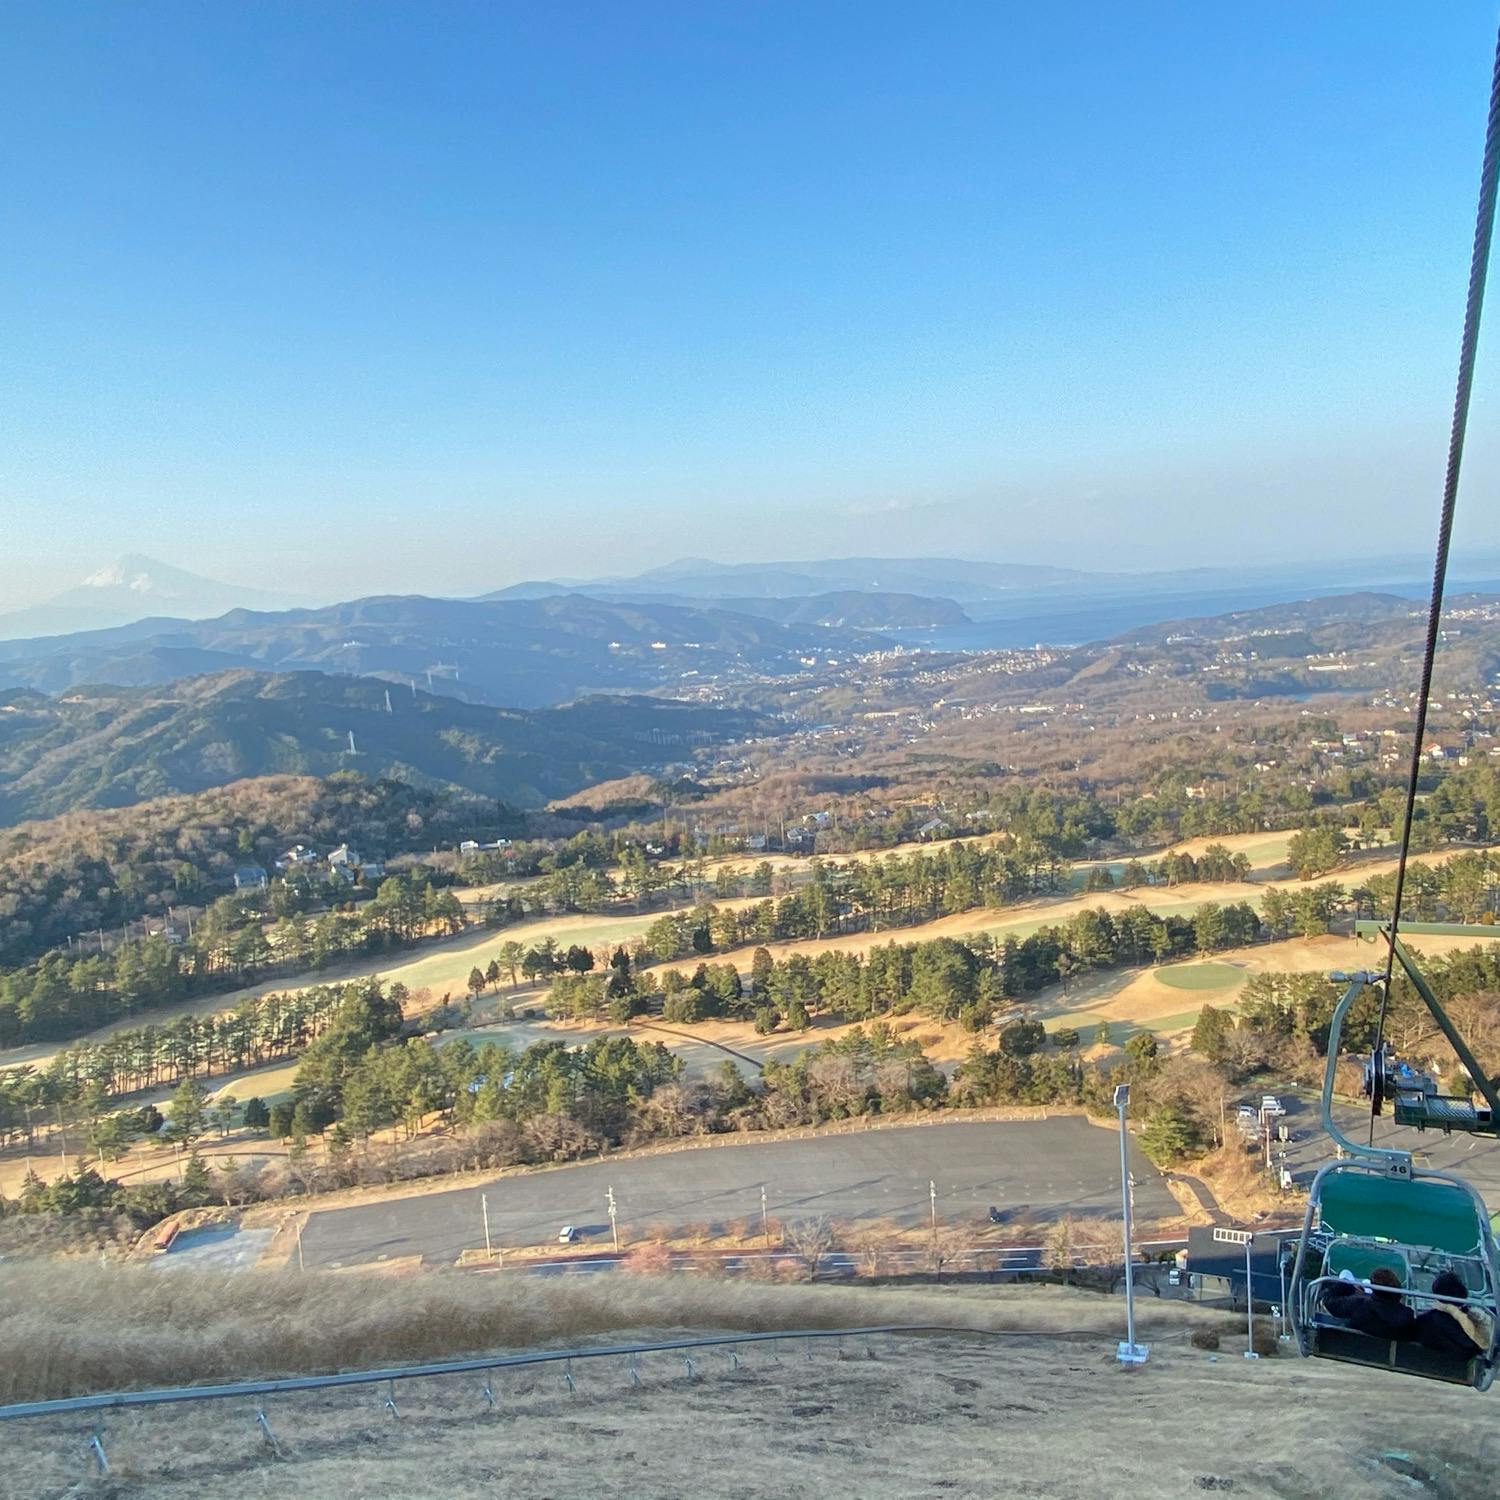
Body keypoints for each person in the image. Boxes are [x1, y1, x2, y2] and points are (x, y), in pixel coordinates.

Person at [1322, 1266, 1416, 1340]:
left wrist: (1347, 1285)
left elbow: (1328, 1302)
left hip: (1355, 1345)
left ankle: (1354, 1283)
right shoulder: (1407, 1315)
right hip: (1384, 1351)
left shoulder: (1359, 1306)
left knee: (1345, 1273)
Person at [1414, 1271, 1491, 1361]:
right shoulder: (1471, 1318)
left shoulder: (1425, 1320)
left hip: (1428, 1361)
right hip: (1461, 1364)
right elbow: (1481, 1345)